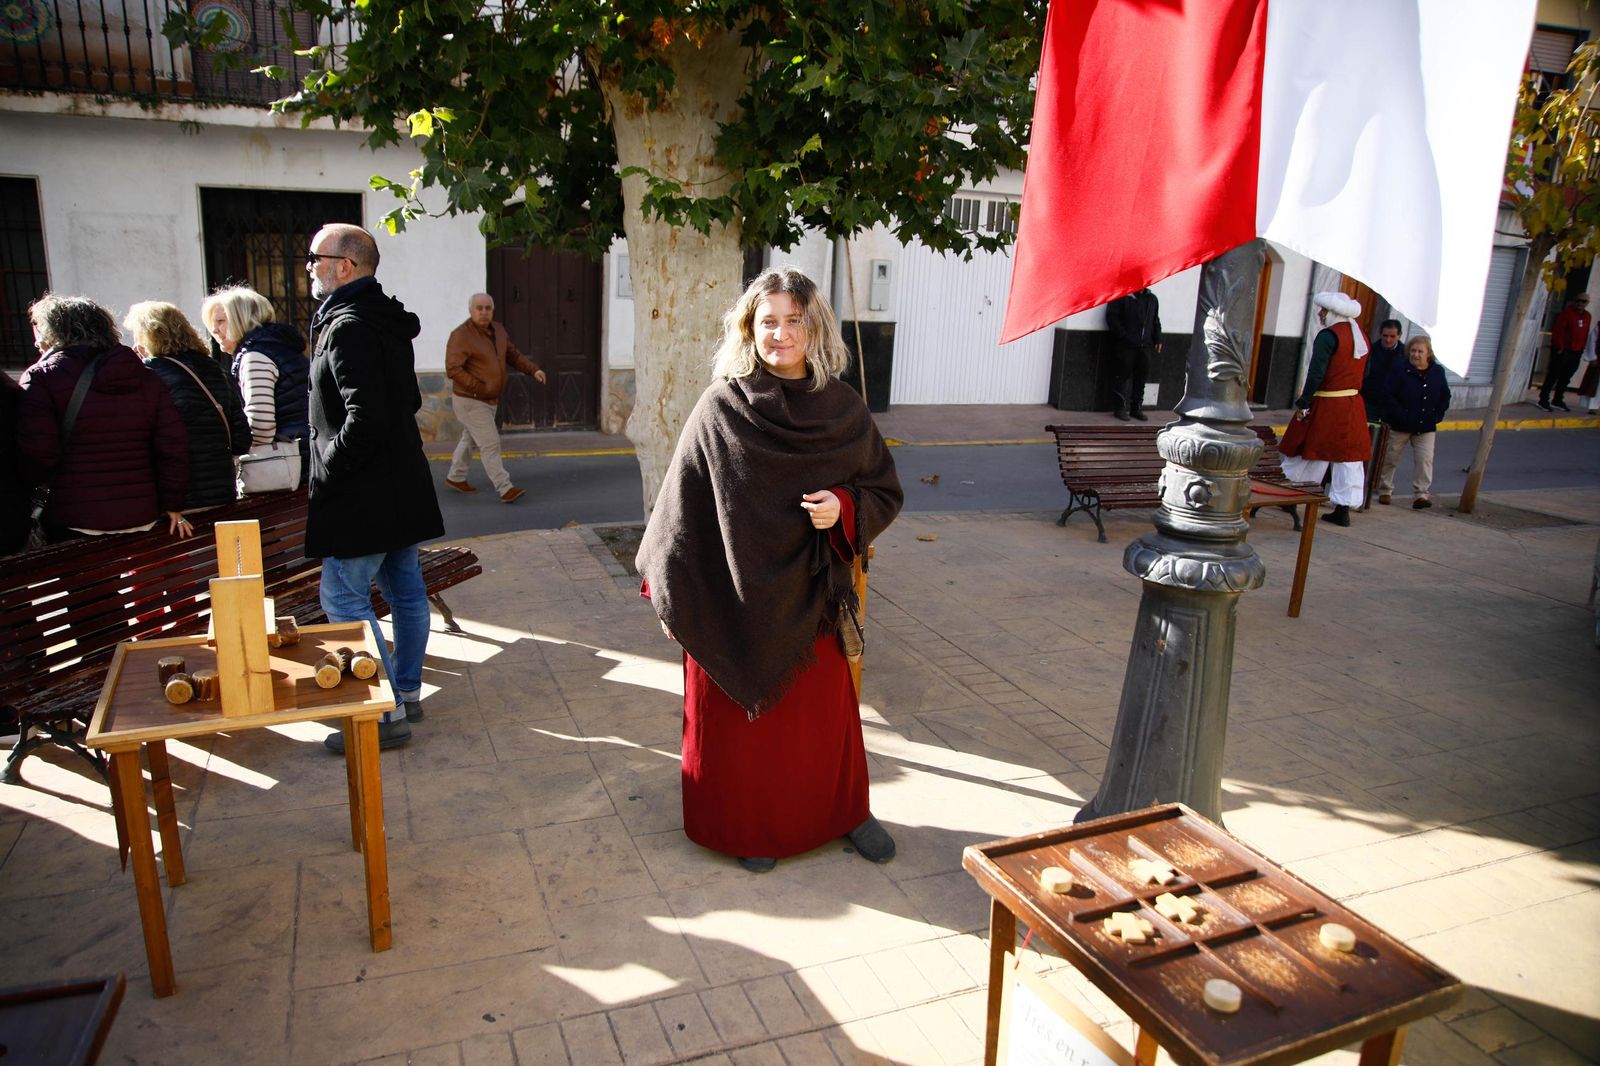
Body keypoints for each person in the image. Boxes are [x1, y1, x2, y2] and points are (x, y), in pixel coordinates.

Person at [636, 267, 903, 874]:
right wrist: (674, 596)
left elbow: (883, 489)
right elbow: (680, 509)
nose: (780, 334)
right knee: (745, 734)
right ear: (748, 329)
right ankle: (748, 824)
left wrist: (845, 507)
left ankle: (844, 813)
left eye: (793, 320)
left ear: (815, 328)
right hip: (734, 601)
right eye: (767, 322)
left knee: (822, 723)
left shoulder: (843, 408)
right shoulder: (722, 406)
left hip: (815, 602)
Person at [304, 223, 443, 753]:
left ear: (345, 266)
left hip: (363, 492)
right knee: (406, 589)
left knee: (343, 594)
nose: (311, 267)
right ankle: (404, 693)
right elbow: (403, 402)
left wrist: (328, 466)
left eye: (317, 258)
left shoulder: (348, 325)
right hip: (394, 484)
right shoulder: (378, 318)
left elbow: (367, 415)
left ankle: (382, 713)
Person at [18, 294, 191, 543]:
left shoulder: (43, 377)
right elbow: (173, 446)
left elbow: (37, 453)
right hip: (141, 514)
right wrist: (173, 502)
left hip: (74, 515)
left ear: (53, 332)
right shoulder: (145, 375)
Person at [125, 302, 251, 511]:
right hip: (222, 491)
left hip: (179, 497)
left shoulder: (151, 375)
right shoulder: (215, 369)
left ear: (150, 336)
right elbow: (241, 440)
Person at [200, 285, 311, 485]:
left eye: (221, 321)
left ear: (242, 319)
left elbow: (261, 427)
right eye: (213, 324)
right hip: (305, 454)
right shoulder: (278, 346)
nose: (215, 330)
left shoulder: (255, 357)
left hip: (289, 463)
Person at [1279, 291, 1370, 527]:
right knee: (1347, 456)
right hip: (1352, 404)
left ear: (1333, 313)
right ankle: (1343, 508)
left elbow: (1316, 373)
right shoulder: (1360, 336)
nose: (1320, 314)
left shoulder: (1328, 337)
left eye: (1324, 311)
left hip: (1328, 402)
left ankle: (1293, 494)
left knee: (1309, 448)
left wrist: (1304, 401)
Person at [443, 292, 545, 502]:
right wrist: (479, 388)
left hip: (489, 399)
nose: (483, 312)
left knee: (470, 439)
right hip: (470, 400)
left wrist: (533, 370)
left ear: (492, 310)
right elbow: (453, 369)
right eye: (479, 308)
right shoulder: (461, 335)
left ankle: (456, 476)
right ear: (471, 310)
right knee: (490, 443)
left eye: (487, 308)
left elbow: (513, 355)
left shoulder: (498, 330)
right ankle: (504, 487)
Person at [1373, 334, 1451, 509]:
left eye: (1420, 351)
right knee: (1390, 458)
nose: (1416, 355)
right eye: (1413, 351)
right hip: (1400, 424)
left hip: (1426, 426)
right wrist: (1400, 414)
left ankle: (1421, 495)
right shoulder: (1399, 369)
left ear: (1428, 354)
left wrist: (1437, 415)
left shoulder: (1437, 372)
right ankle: (1385, 490)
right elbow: (1388, 394)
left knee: (1425, 460)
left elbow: (1445, 396)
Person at [1104, 287, 1162, 420]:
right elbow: (1112, 318)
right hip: (1126, 345)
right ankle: (1120, 408)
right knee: (1122, 376)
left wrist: (1158, 338)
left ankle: (1136, 408)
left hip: (1145, 345)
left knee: (1141, 377)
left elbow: (1155, 320)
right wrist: (1124, 336)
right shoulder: (1122, 296)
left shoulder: (1152, 299)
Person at [1539, 291, 1590, 411]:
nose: (1580, 303)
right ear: (1574, 301)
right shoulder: (1567, 314)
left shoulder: (1587, 316)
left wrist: (1582, 348)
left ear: (1587, 303)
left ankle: (1557, 400)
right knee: (1553, 376)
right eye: (1578, 300)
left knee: (1566, 378)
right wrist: (1560, 347)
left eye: (1583, 301)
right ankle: (1543, 399)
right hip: (1563, 350)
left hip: (1576, 352)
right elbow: (1558, 331)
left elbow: (1585, 333)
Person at [1362, 319, 1405, 422]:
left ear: (1399, 335)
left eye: (1392, 336)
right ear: (1380, 334)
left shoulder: (1406, 355)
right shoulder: (1369, 351)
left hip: (1393, 404)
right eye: (1385, 336)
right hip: (1371, 402)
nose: (1388, 340)